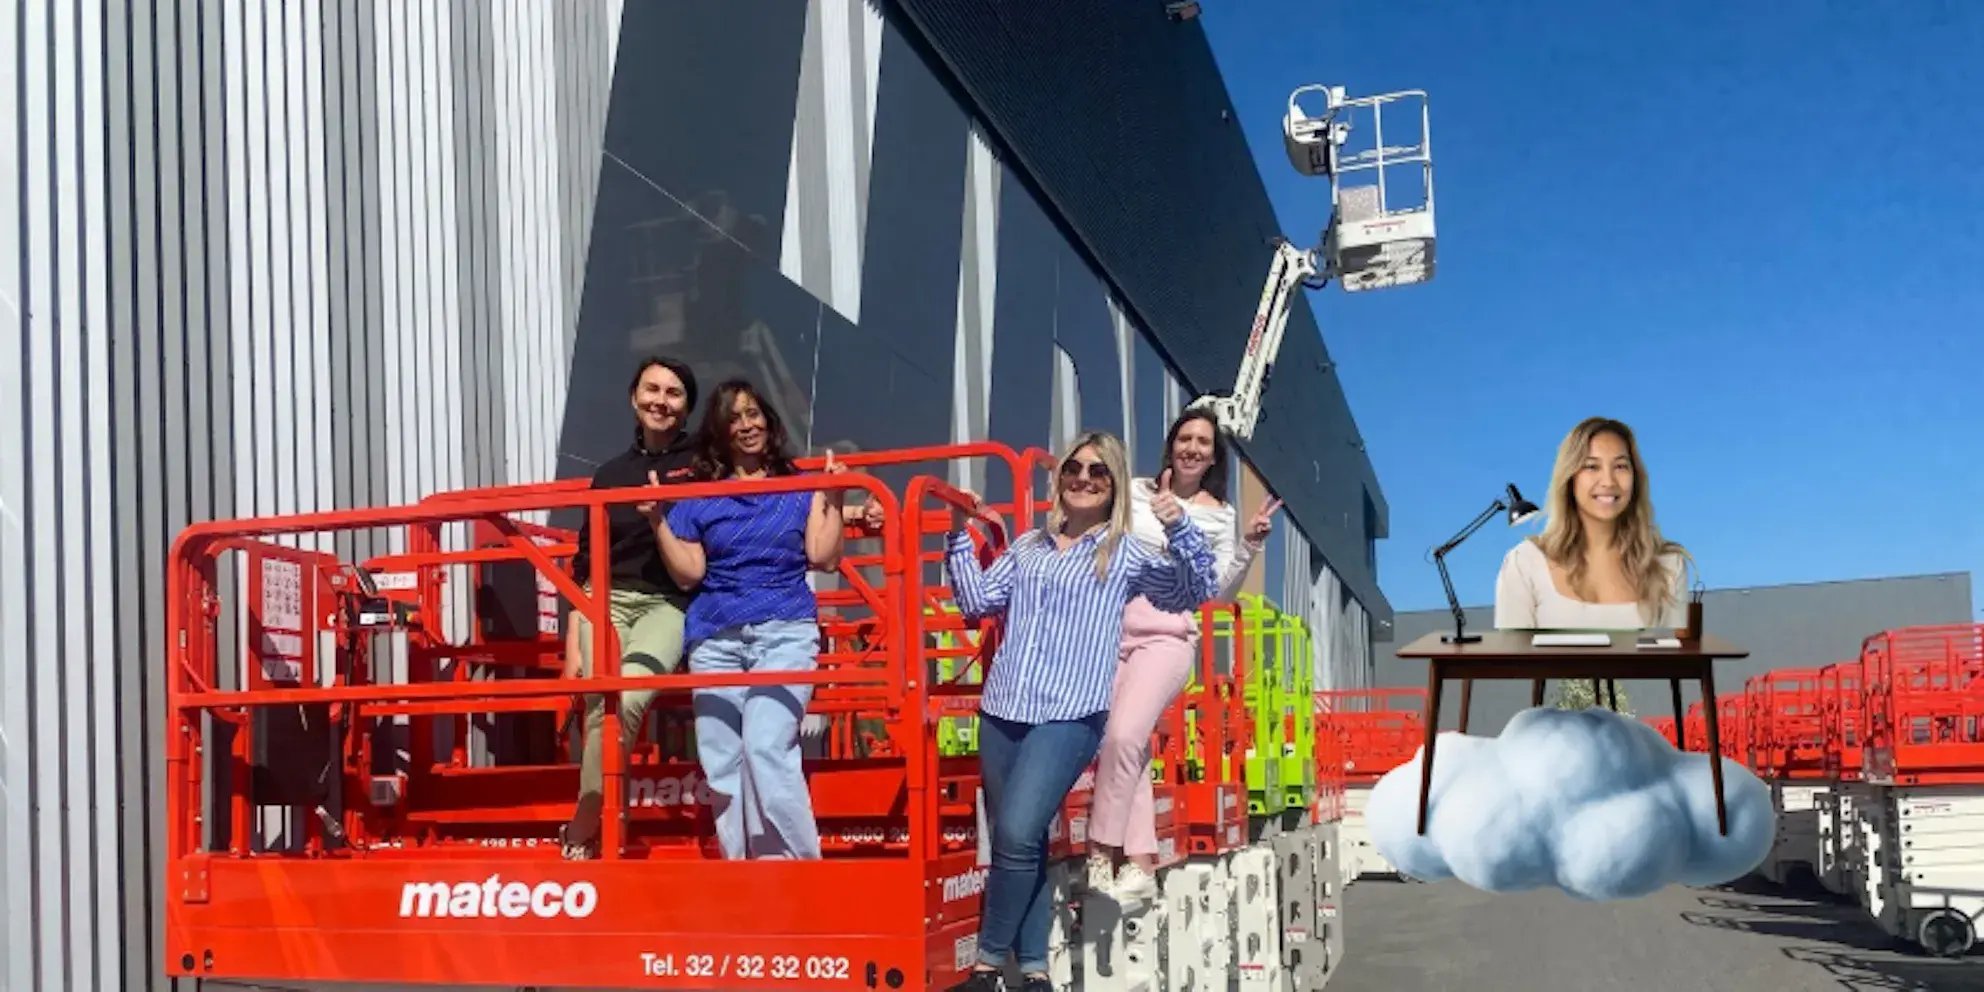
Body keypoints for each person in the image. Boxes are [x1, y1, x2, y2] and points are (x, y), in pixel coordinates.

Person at [946, 430, 1220, 992]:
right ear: (1060, 476)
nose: (1085, 479)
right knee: (1018, 841)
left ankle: (988, 964)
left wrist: (1178, 524)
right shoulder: (1027, 547)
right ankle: (1037, 969)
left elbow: (1194, 590)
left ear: (1115, 486)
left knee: (1019, 831)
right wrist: (957, 535)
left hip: (1071, 714)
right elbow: (975, 602)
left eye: (1100, 472)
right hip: (1004, 707)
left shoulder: (1125, 552)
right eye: (1076, 467)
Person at [648, 379, 861, 860]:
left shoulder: (800, 486)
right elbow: (689, 574)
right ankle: (741, 870)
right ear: (721, 433)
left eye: (752, 414)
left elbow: (823, 557)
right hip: (715, 636)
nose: (746, 426)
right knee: (722, 759)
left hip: (784, 631)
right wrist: (657, 520)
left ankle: (803, 870)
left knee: (766, 747)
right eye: (734, 419)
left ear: (768, 419)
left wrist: (835, 494)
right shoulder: (701, 497)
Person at [1086, 408, 1280, 904]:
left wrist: (1250, 546)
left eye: (1203, 441)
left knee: (1126, 734)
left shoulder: (1219, 514)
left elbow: (1215, 592)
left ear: (1215, 455)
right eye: (1185, 438)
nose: (1192, 447)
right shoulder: (1137, 490)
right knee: (1119, 742)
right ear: (1171, 444)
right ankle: (1141, 862)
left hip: (1168, 633)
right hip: (1112, 627)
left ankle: (1103, 849)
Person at [558, 356, 701, 861]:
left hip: (666, 603)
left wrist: (851, 508)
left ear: (686, 408)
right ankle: (605, 823)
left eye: (674, 393)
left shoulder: (703, 463)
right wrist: (574, 637)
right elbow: (584, 558)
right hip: (603, 601)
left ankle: (584, 821)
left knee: (631, 698)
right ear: (633, 398)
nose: (660, 400)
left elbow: (764, 491)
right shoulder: (611, 474)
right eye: (651, 389)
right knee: (600, 703)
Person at [1493, 416, 1691, 631]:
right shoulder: (1525, 564)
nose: (1608, 481)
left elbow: (1679, 661)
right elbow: (1512, 662)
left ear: (1636, 478)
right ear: (1570, 478)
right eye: (1592, 466)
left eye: (1621, 466)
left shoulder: (1668, 566)